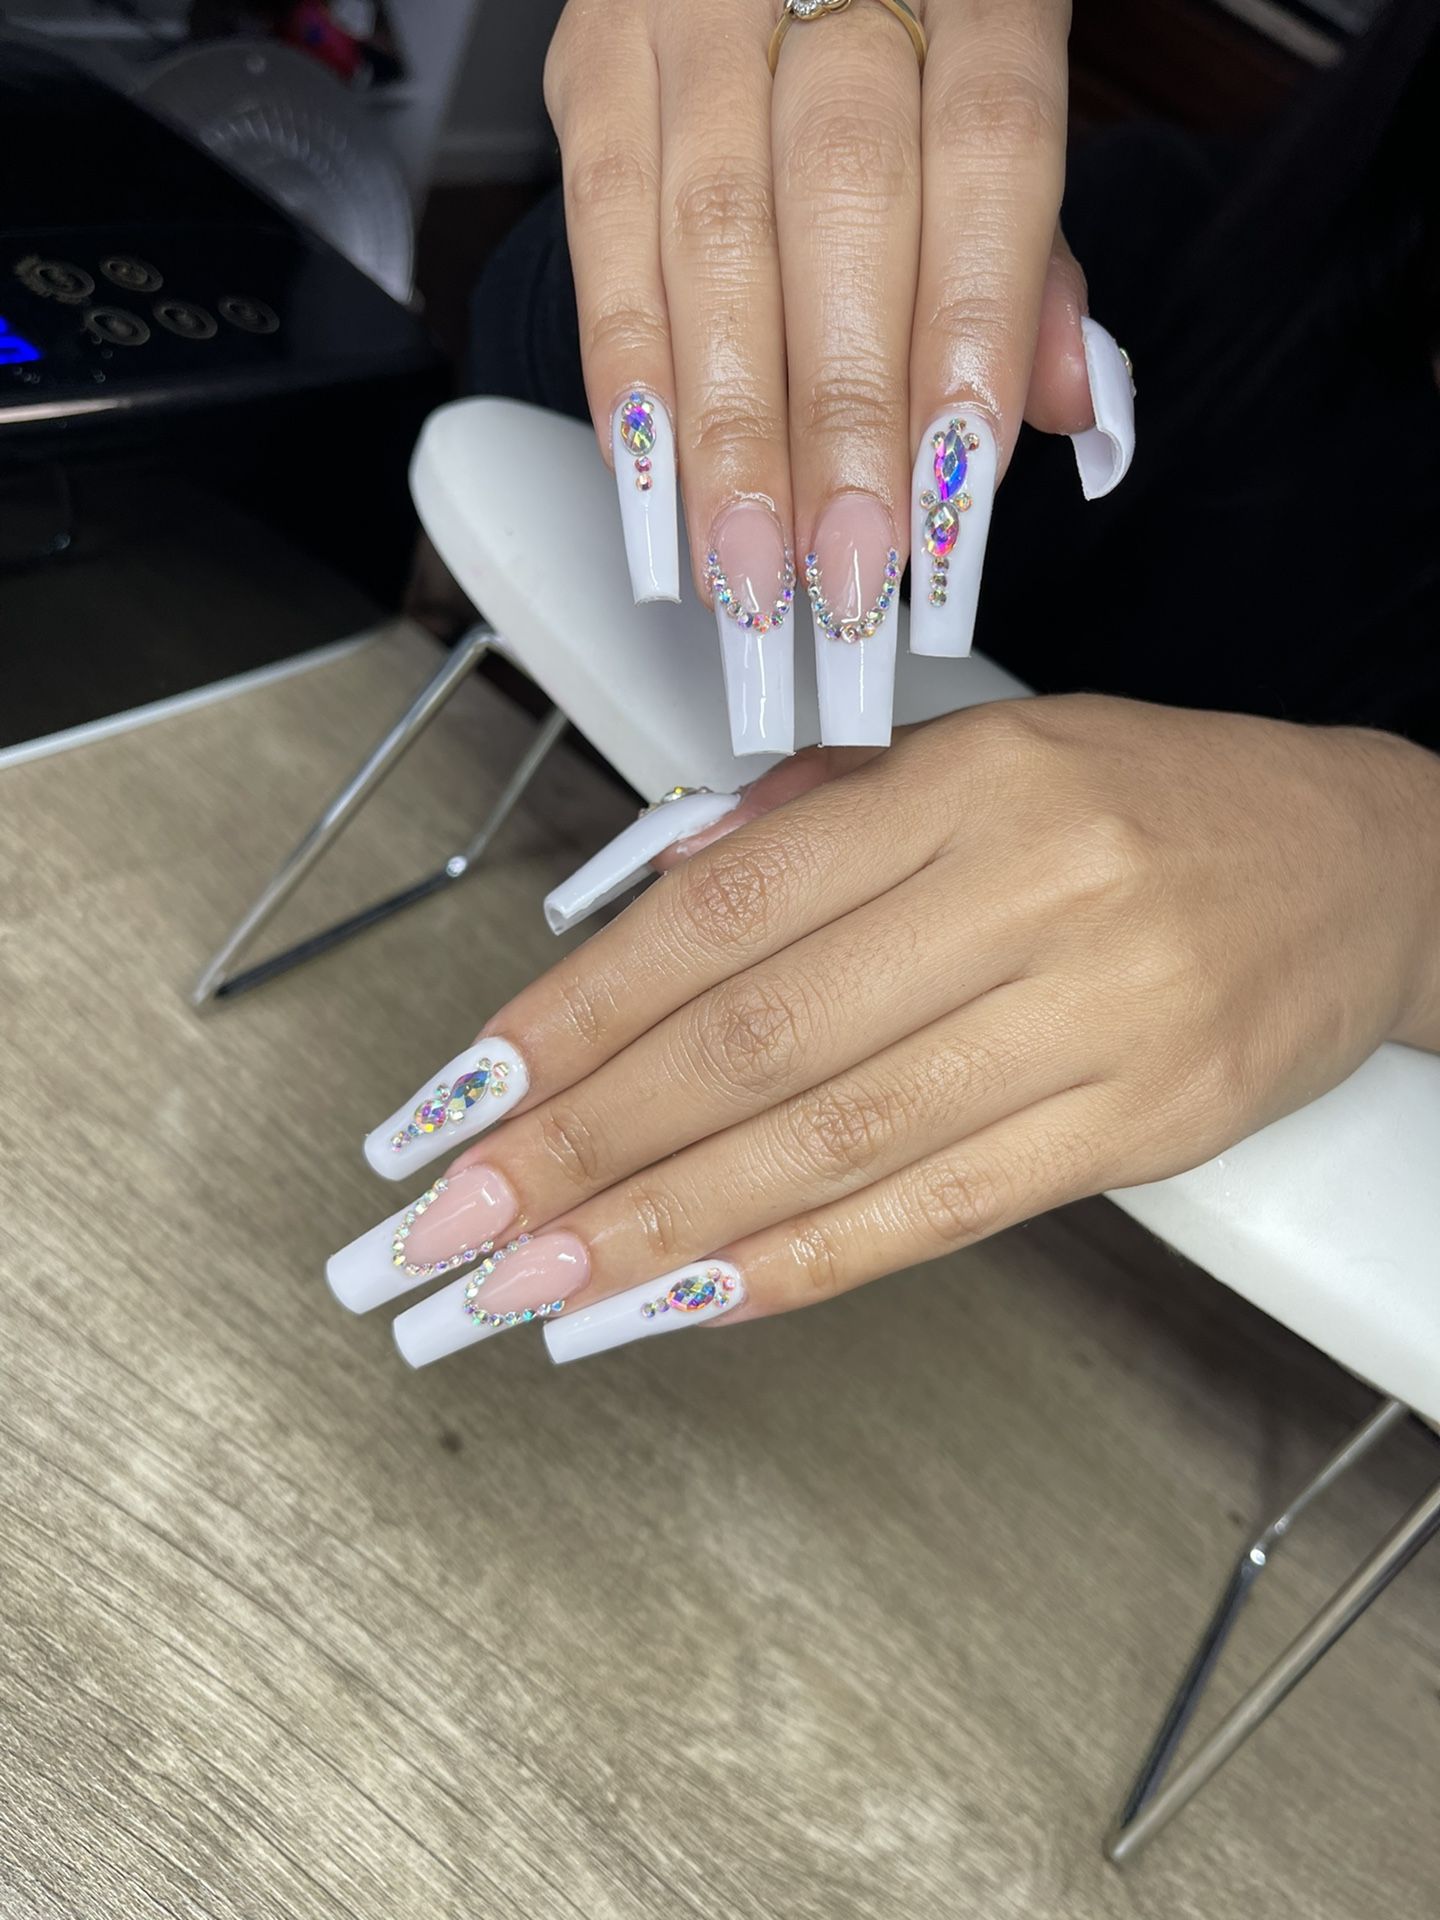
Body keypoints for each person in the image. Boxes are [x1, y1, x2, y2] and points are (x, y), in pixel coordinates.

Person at [324, 0, 1439, 1368]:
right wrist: (719, 211)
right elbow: (530, 409)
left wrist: (1408, 872)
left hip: (1193, 1360)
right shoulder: (1183, 245)